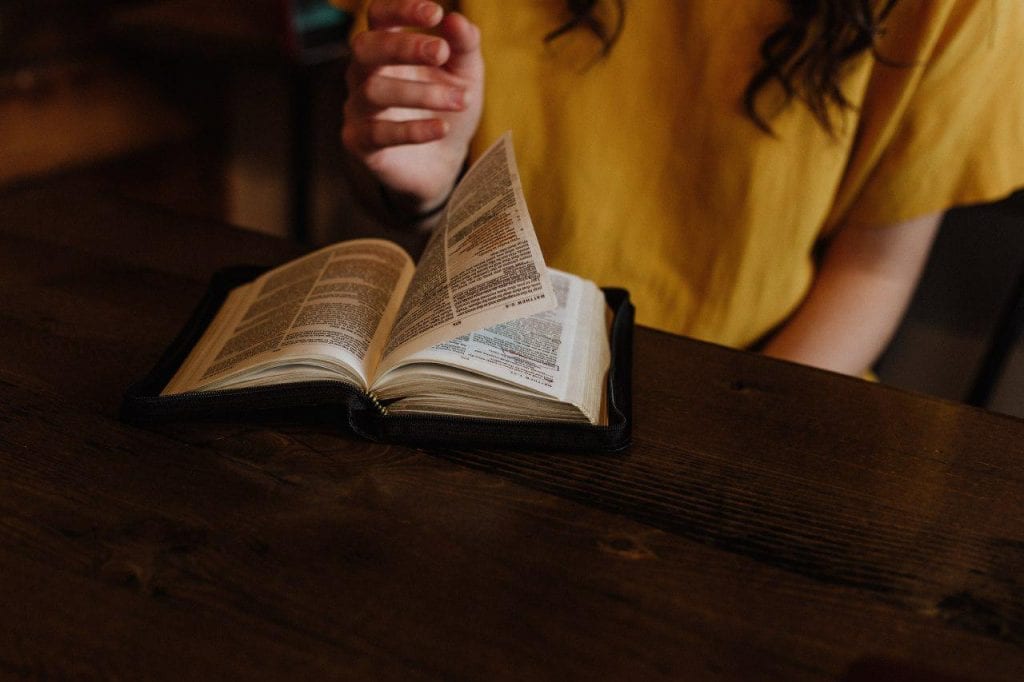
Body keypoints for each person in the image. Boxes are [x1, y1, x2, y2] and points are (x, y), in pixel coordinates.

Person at [336, 0, 1024, 377]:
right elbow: (398, 203)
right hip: (478, 369)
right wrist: (420, 191)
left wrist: (722, 443)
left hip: (763, 389)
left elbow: (874, 271)